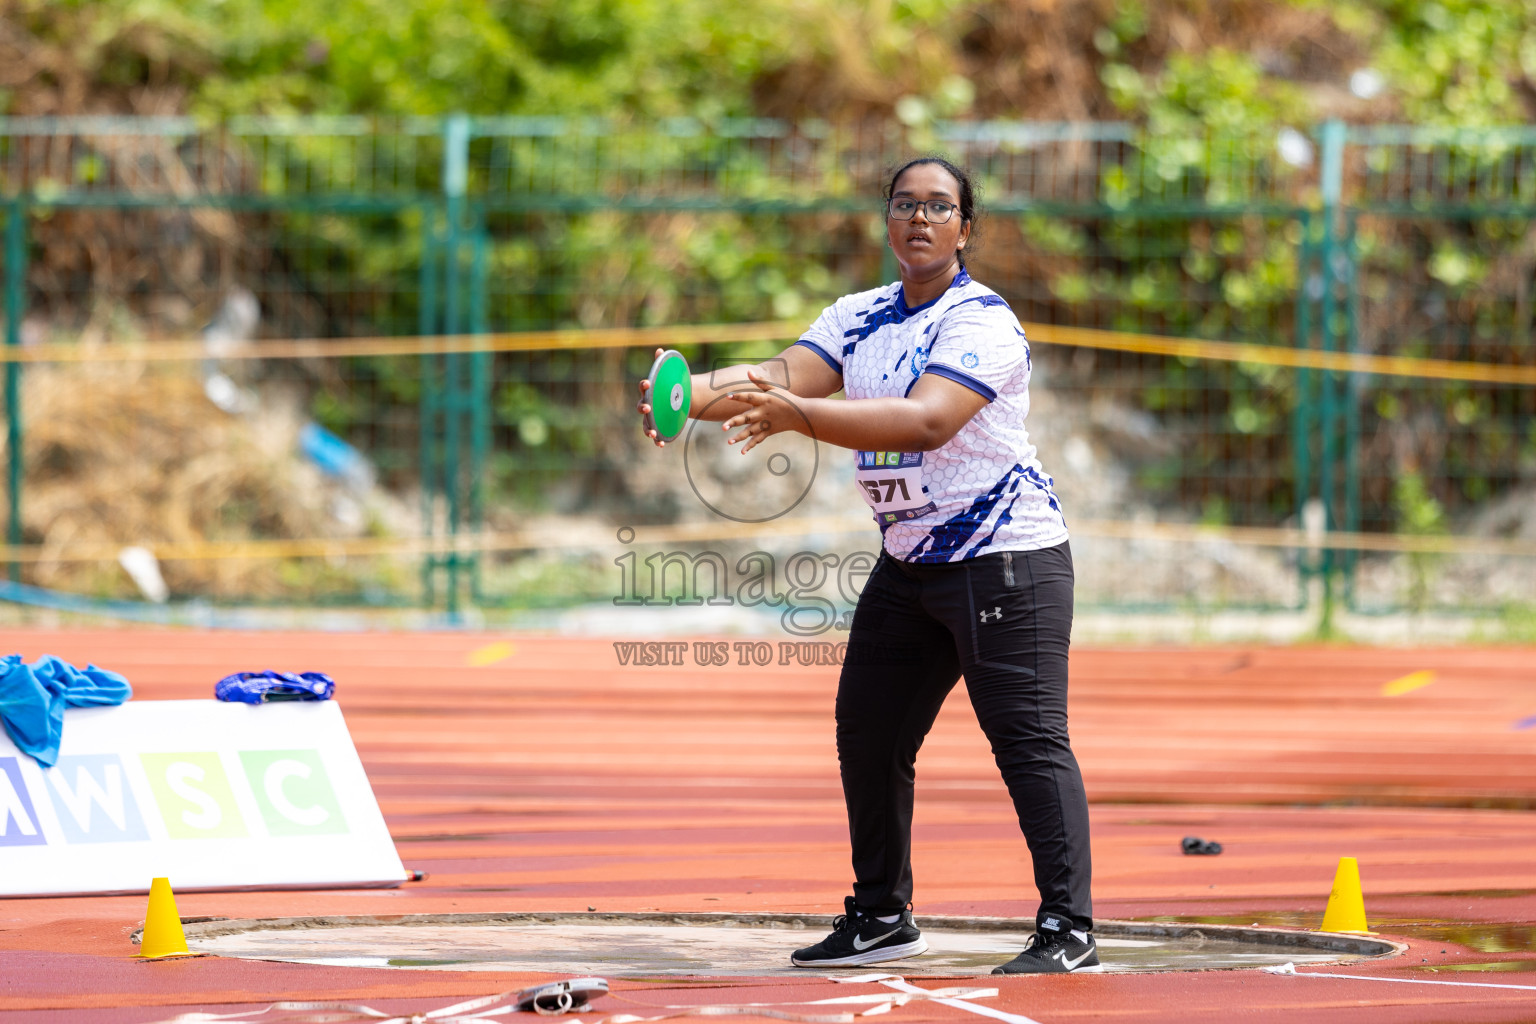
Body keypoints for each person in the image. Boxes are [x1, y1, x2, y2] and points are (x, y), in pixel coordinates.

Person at [636, 157, 1096, 975]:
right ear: (887, 220)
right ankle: (882, 914)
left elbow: (924, 421)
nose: (920, 218)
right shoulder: (859, 316)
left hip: (1005, 559)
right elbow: (779, 377)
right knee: (869, 730)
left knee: (1026, 739)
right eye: (904, 204)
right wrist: (685, 393)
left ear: (965, 229)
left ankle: (1069, 929)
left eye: (939, 207)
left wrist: (802, 417)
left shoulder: (981, 322)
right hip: (911, 562)